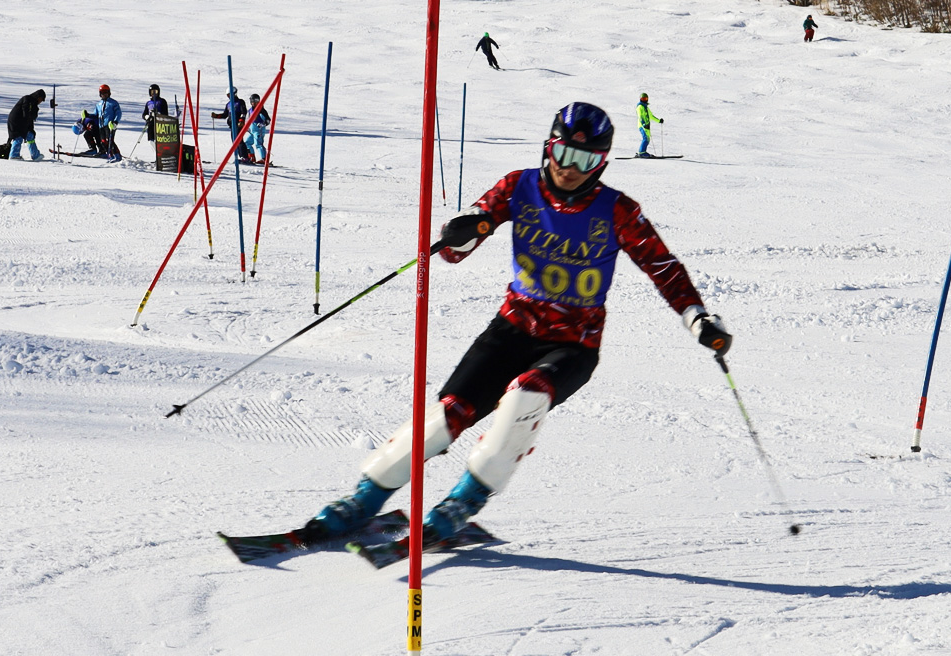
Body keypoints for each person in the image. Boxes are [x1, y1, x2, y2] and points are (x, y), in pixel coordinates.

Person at [294, 102, 732, 547]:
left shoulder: (616, 210)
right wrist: (460, 234)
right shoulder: (517, 186)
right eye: (564, 154)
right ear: (549, 147)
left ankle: (462, 503)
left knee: (526, 397)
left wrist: (696, 317)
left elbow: (663, 266)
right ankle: (363, 500)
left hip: (573, 344)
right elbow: (456, 247)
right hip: (511, 329)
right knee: (445, 418)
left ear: (600, 163)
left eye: (586, 161)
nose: (571, 169)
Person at [6, 89, 50, 161]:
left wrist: (30, 128)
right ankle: (14, 155)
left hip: (21, 122)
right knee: (18, 136)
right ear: (38, 96)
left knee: (30, 135)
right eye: (41, 99)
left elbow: (29, 118)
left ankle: (35, 155)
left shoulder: (33, 103)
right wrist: (27, 126)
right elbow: (26, 114)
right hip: (16, 122)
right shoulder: (27, 99)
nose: (40, 101)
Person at [212, 87, 249, 160]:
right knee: (234, 141)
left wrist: (241, 120)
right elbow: (225, 115)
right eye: (228, 95)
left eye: (230, 95)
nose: (229, 97)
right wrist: (216, 116)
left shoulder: (240, 102)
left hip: (239, 124)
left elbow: (243, 112)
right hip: (232, 125)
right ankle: (241, 156)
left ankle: (245, 157)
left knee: (239, 140)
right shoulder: (228, 104)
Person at [95, 84, 123, 162]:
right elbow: (95, 114)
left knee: (110, 140)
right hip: (101, 125)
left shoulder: (113, 103)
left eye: (106, 92)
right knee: (103, 141)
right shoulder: (99, 104)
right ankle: (109, 154)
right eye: (102, 93)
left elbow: (118, 113)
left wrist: (115, 121)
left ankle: (117, 155)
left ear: (109, 93)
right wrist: (87, 115)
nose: (104, 94)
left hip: (110, 125)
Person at [243, 93, 271, 164]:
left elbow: (268, 120)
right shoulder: (250, 110)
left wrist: (262, 124)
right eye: (251, 101)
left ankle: (264, 159)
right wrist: (247, 127)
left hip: (259, 130)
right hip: (252, 131)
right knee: (247, 143)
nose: (252, 103)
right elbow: (248, 119)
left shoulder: (261, 110)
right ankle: (251, 157)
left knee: (258, 144)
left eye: (254, 101)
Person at [636, 92, 663, 158]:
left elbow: (651, 116)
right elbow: (640, 117)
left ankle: (642, 151)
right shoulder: (640, 107)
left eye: (645, 98)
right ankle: (641, 152)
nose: (644, 100)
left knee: (647, 139)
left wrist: (659, 121)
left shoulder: (646, 108)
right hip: (643, 126)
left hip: (647, 126)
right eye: (643, 98)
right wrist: (644, 124)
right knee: (645, 138)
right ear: (640, 99)